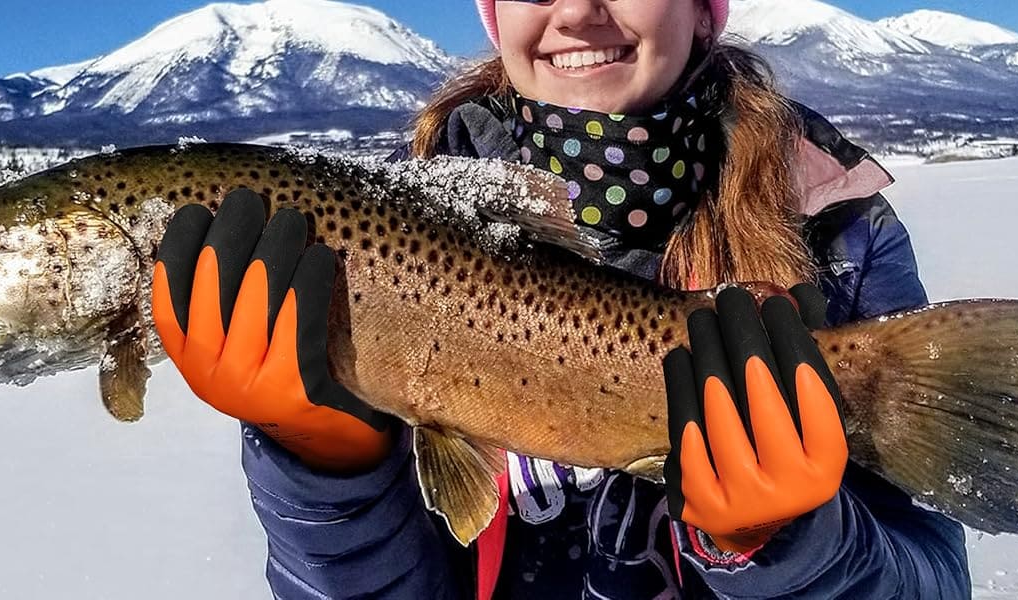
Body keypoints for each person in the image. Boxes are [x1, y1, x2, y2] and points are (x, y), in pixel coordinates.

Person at [151, 0, 973, 597]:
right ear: (494, 15)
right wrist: (325, 468)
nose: (578, 11)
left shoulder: (834, 237)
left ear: (704, 10)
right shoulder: (366, 244)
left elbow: (933, 581)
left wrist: (792, 548)